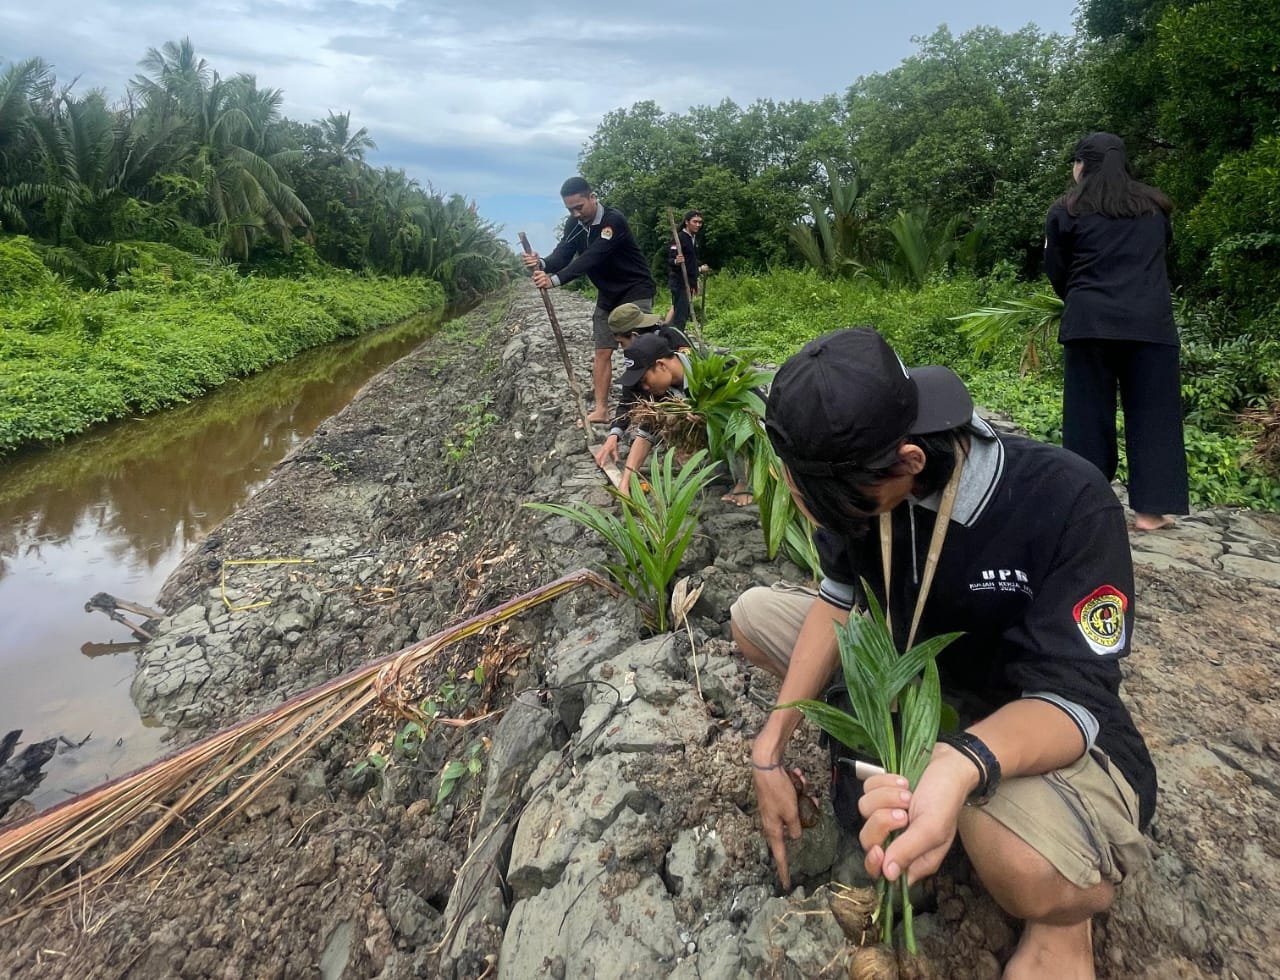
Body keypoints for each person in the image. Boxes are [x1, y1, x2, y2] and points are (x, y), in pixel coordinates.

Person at [732, 327, 1155, 978]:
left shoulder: (1066, 502)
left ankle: (1064, 923)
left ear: (906, 462)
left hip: (1034, 719)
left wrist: (960, 764)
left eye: (819, 498)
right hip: (923, 675)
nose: (808, 507)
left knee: (1020, 860)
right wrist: (770, 743)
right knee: (752, 618)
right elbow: (837, 599)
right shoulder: (857, 469)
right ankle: (914, 759)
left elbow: (1073, 703)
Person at [1044, 132, 1189, 532]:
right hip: (1150, 324)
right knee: (1155, 415)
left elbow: (1058, 269)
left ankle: (1086, 508)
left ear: (1081, 165)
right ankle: (1150, 514)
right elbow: (1161, 258)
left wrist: (1080, 297)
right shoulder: (1154, 206)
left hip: (1089, 322)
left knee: (1087, 417)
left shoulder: (1066, 209)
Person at [523, 177, 656, 424]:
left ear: (592, 198)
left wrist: (554, 280)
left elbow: (592, 257)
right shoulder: (574, 224)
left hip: (634, 290)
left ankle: (647, 407)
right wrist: (541, 264)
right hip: (607, 294)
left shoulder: (613, 222)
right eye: (570, 210)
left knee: (637, 350)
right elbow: (563, 253)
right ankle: (601, 409)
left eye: (579, 207)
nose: (576, 214)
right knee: (602, 351)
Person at [594, 333, 753, 504]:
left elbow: (756, 415)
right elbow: (646, 432)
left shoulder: (715, 367)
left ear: (661, 365)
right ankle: (721, 465)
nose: (645, 388)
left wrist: (708, 414)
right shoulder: (662, 390)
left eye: (644, 380)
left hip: (752, 429)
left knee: (728, 417)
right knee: (673, 420)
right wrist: (625, 482)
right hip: (714, 440)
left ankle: (747, 481)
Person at [665, 210, 703, 330]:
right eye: (695, 222)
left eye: (700, 222)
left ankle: (670, 335)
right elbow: (670, 260)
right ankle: (677, 342)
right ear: (687, 222)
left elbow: (691, 263)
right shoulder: (679, 238)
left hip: (689, 282)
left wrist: (699, 271)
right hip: (679, 282)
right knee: (681, 314)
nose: (698, 225)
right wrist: (677, 261)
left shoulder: (694, 239)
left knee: (682, 312)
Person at [608, 302, 693, 354]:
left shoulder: (670, 338)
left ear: (635, 335)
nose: (622, 348)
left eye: (621, 343)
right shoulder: (642, 345)